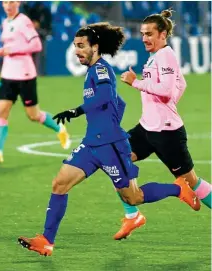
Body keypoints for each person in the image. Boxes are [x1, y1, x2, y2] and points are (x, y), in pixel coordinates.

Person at [17, 22, 200, 256]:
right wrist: (108, 119)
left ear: (95, 47)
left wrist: (77, 111)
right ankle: (46, 240)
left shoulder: (102, 70)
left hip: (111, 147)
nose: (77, 51)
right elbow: (118, 103)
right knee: (59, 184)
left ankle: (177, 188)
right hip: (92, 144)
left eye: (82, 46)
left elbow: (104, 96)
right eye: (75, 46)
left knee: (134, 197)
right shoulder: (91, 71)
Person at [114, 8, 211, 241]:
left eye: (149, 34)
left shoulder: (166, 55)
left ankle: (181, 190)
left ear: (163, 35)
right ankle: (132, 215)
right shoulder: (156, 56)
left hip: (167, 133)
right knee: (116, 158)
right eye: (142, 33)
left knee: (193, 183)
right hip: (147, 128)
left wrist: (136, 83)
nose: (144, 38)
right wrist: (167, 100)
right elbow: (181, 83)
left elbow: (167, 90)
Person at [0, 1, 71, 163]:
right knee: (2, 111)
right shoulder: (5, 22)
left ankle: (60, 128)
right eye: (6, 2)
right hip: (7, 74)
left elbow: (36, 45)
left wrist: (12, 50)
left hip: (25, 75)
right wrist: (1, 51)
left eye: (12, 2)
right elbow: (10, 46)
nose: (8, 5)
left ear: (18, 3)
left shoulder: (24, 21)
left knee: (33, 115)